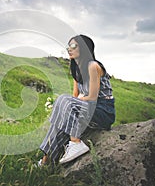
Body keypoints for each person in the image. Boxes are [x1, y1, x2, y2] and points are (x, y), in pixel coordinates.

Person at [38, 34, 115, 166]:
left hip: (102, 111)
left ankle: (76, 143)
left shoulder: (93, 66)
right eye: (68, 46)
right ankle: (46, 162)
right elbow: (75, 95)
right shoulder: (76, 69)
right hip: (87, 109)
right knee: (60, 123)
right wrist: (67, 111)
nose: (69, 49)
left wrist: (75, 101)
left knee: (63, 99)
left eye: (74, 46)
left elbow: (92, 97)